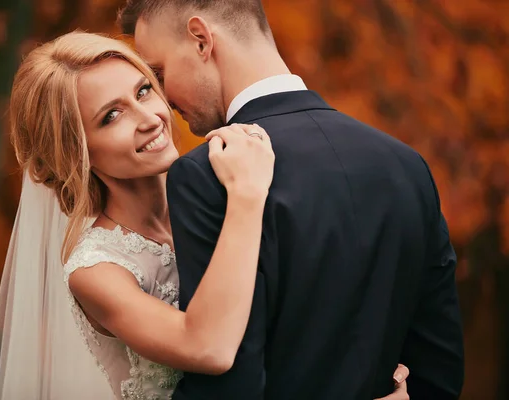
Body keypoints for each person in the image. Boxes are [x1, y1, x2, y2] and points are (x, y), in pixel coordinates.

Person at [0, 31, 410, 400]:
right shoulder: (95, 270)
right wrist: (246, 196)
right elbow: (210, 349)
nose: (148, 118)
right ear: (76, 152)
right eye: (111, 116)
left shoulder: (211, 198)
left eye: (144, 90)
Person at [119, 0, 465, 399]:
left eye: (158, 73)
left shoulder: (208, 175)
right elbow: (439, 372)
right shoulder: (407, 165)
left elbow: (230, 388)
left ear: (201, 40)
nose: (161, 96)